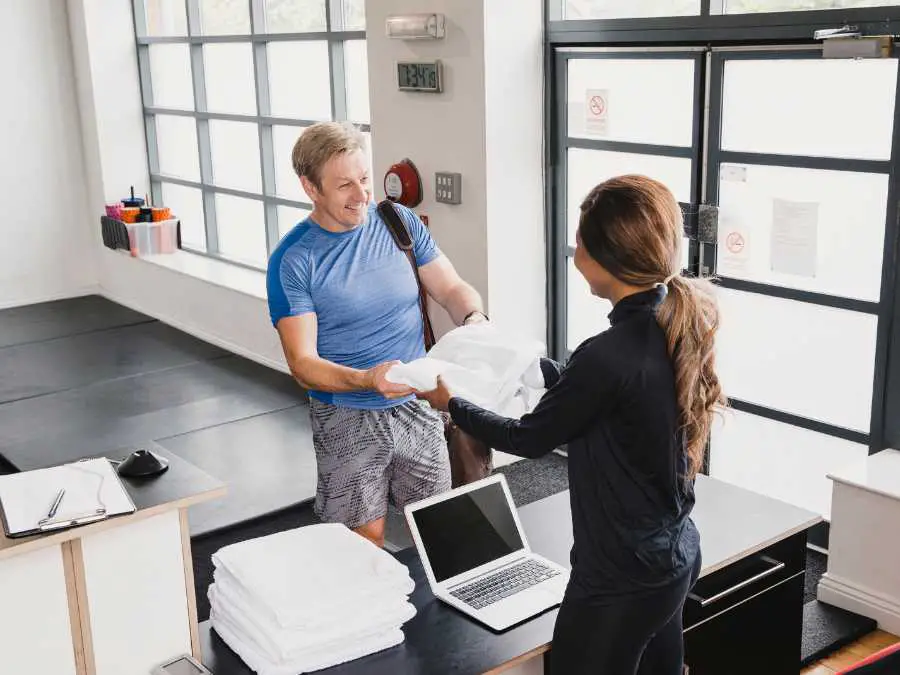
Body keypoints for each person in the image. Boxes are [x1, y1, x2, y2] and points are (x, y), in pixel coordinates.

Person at [417, 175, 726, 674]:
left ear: (605, 259)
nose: (574, 247)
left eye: (581, 239)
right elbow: (618, 400)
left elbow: (530, 437)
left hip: (618, 577)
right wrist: (544, 372)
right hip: (672, 559)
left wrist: (453, 403)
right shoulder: (670, 321)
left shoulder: (607, 355)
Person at [267, 121, 487, 548]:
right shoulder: (293, 261)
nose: (362, 194)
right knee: (360, 546)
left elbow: (450, 288)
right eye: (345, 185)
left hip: (417, 405)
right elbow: (303, 365)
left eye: (364, 179)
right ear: (311, 188)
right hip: (346, 417)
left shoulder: (397, 222)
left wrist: (474, 317)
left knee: (441, 530)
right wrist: (368, 380)